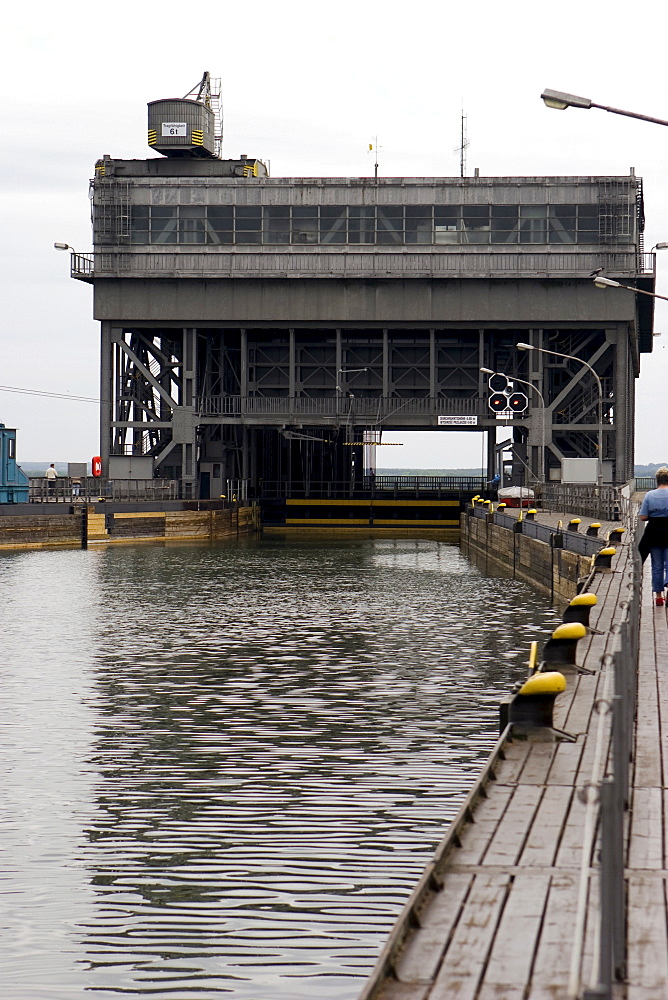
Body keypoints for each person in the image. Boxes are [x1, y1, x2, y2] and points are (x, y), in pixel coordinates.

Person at [638, 466, 668, 606]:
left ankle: (658, 597)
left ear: (657, 480)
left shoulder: (650, 495)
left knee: (657, 565)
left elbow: (643, 517)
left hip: (654, 533)